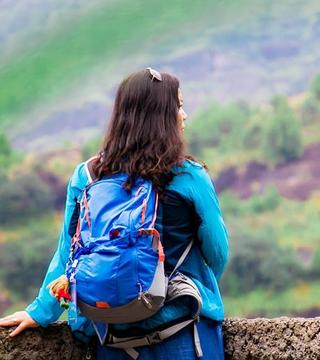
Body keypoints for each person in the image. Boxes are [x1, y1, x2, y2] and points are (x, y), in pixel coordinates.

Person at [0, 68, 229, 359]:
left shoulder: (88, 176)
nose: (184, 115)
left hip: (112, 333)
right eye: (179, 106)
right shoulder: (189, 175)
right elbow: (217, 252)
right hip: (183, 331)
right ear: (161, 116)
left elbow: (68, 253)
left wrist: (41, 311)